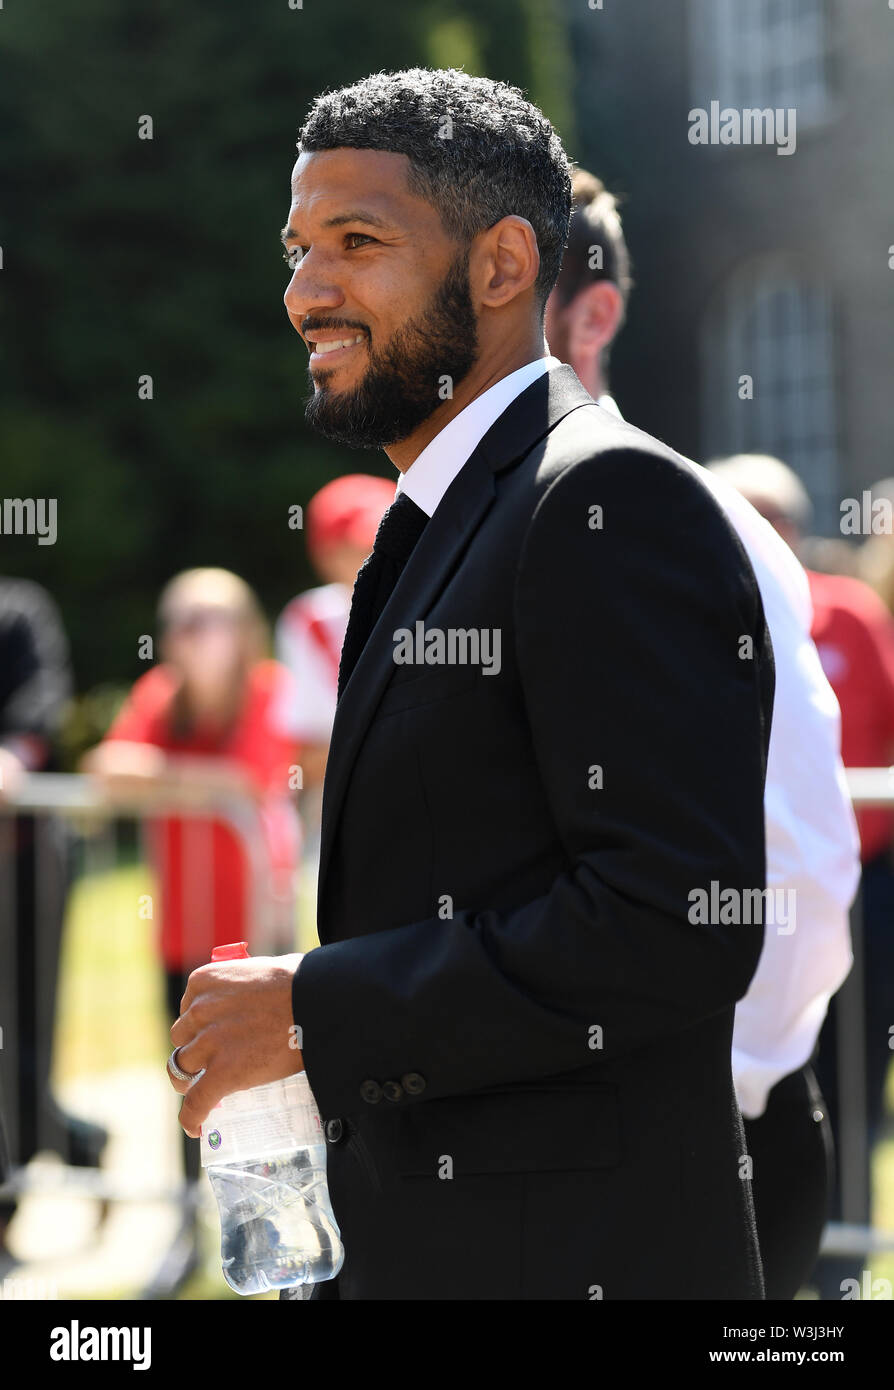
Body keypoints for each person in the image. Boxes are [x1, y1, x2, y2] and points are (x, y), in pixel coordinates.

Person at [168, 67, 774, 1301]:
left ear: (503, 265)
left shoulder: (604, 500)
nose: (304, 291)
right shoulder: (444, 518)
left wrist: (315, 1010)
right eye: (296, 250)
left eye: (357, 243)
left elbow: (676, 919)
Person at [546, 173, 860, 1297]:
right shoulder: (446, 527)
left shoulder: (668, 518)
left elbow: (799, 859)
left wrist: (705, 1094)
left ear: (594, 317)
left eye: (501, 290)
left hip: (683, 1146)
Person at [707, 453, 894, 1298]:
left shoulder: (846, 610)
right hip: (723, 900)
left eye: (774, 517)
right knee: (745, 1084)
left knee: (849, 1081)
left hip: (858, 890)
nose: (761, 533)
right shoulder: (684, 608)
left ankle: (841, 1267)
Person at [84, 568, 301, 1196]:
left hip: (257, 925)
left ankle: (276, 1210)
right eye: (180, 622)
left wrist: (160, 775)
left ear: (244, 629)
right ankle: (189, 1210)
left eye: (207, 619)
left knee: (267, 1082)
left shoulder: (269, 689)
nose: (191, 634)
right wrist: (199, 779)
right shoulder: (161, 693)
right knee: (187, 1079)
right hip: (181, 928)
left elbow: (249, 777)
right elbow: (106, 768)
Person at [0, 578, 107, 1262]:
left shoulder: (18, 610)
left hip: (22, 866)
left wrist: (11, 762)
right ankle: (80, 1147)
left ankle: (10, 1202)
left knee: (18, 1042)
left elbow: (37, 717)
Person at [273, 474, 394, 833]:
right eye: (364, 545)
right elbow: (309, 755)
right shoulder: (309, 621)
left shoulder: (437, 601)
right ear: (326, 557)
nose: (383, 553)